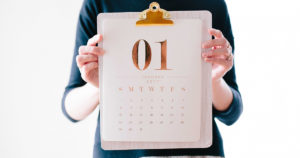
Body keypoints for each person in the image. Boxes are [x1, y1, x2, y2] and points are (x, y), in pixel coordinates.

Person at [61, 0, 243, 157]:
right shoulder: (100, 3)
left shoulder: (212, 4)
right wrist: (100, 85)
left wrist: (214, 79)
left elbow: (232, 112)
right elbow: (71, 109)